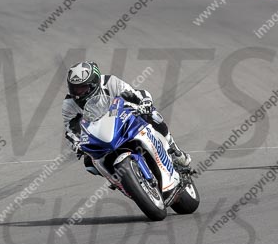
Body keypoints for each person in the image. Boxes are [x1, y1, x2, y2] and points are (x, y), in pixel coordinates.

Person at [62, 61, 192, 177]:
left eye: (82, 88)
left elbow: (133, 94)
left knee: (152, 115)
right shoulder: (69, 104)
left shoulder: (110, 82)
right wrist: (77, 143)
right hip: (99, 134)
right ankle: (120, 181)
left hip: (122, 119)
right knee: (90, 164)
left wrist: (144, 103)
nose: (77, 93)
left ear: (94, 83)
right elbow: (71, 129)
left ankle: (174, 150)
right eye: (74, 88)